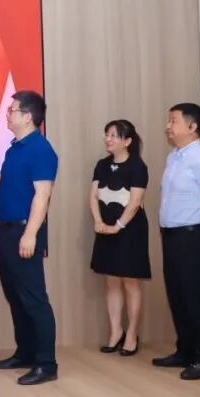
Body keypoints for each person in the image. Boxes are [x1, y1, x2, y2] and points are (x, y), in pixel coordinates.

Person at [0, 90, 59, 386]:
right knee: (15, 296)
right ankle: (25, 353)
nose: (8, 114)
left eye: (12, 110)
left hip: (24, 231)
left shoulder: (40, 150)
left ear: (28, 116)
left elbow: (42, 196)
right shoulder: (14, 148)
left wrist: (30, 234)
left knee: (34, 299)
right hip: (5, 231)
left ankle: (46, 363)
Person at [153, 103, 200, 380]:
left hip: (195, 237)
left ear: (192, 127)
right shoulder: (174, 157)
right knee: (178, 297)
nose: (168, 126)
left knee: (196, 299)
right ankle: (185, 351)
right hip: (172, 237)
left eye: (173, 121)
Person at [89, 119, 150, 357]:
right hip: (105, 228)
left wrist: (118, 226)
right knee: (111, 281)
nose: (108, 139)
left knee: (130, 282)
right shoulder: (102, 165)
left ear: (127, 141)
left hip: (130, 230)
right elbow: (93, 196)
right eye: (107, 134)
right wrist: (98, 222)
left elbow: (135, 202)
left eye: (114, 135)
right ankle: (115, 332)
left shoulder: (137, 166)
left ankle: (132, 335)